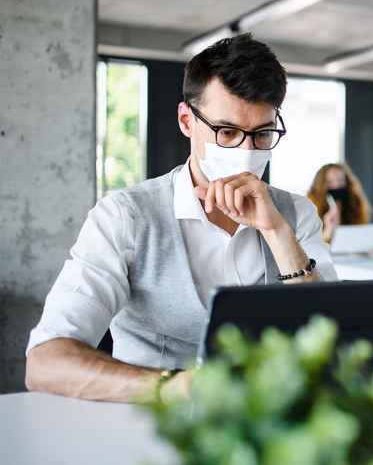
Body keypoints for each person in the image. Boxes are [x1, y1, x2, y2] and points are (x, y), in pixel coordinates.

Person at [24, 34, 337, 403]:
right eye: (227, 132)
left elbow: (332, 341)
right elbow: (45, 362)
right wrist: (179, 388)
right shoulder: (125, 217)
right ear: (186, 120)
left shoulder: (295, 214)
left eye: (263, 134)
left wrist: (277, 233)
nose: (246, 151)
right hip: (144, 430)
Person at [306, 163, 372, 244]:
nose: (336, 186)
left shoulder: (355, 205)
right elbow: (309, 248)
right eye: (329, 182)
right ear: (320, 185)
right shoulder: (308, 209)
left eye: (340, 181)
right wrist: (328, 231)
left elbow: (360, 237)